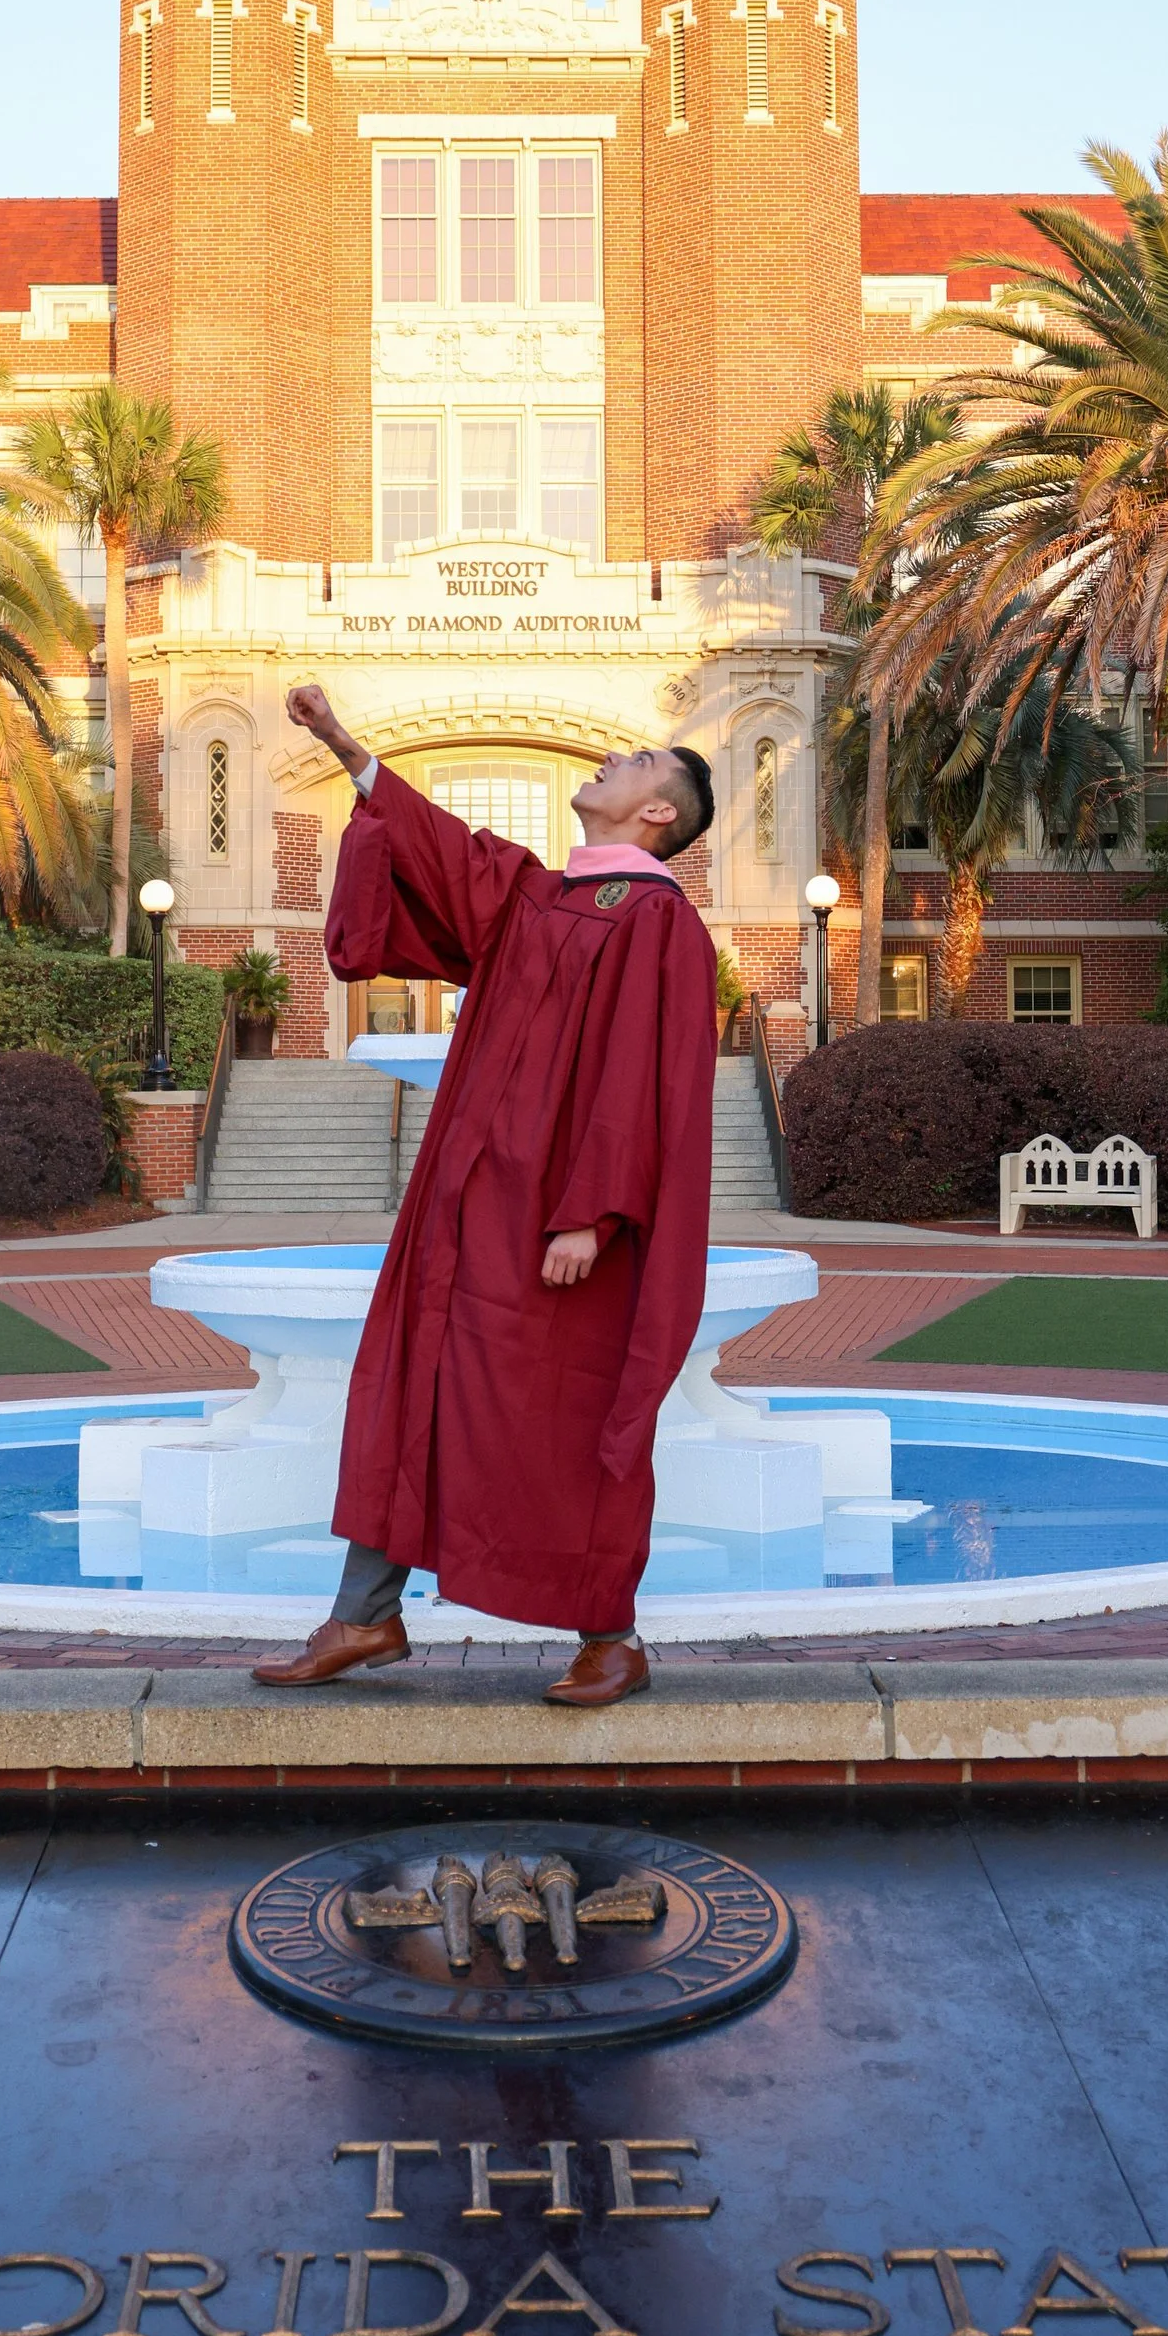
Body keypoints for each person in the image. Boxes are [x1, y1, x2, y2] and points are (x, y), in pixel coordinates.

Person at [250, 685, 721, 1708]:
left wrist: (589, 1215)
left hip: (555, 1225)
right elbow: (445, 852)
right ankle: (366, 1613)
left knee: (554, 1412)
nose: (612, 757)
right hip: (463, 1202)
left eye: (638, 758)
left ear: (659, 814)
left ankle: (611, 1635)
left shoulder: (657, 924)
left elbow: (644, 1081)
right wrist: (348, 751)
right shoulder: (537, 897)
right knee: (407, 1382)